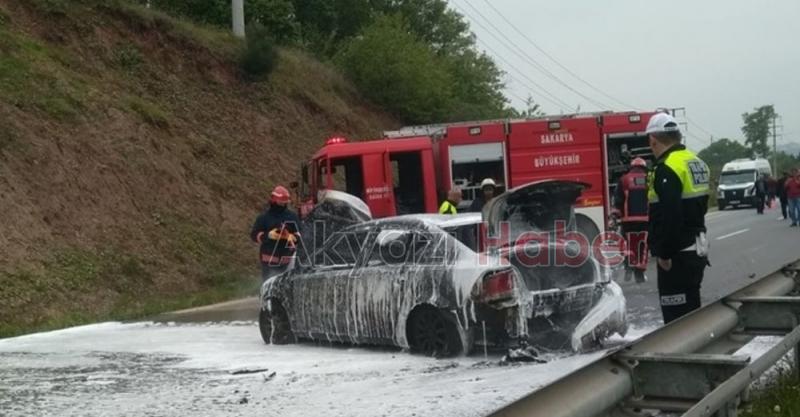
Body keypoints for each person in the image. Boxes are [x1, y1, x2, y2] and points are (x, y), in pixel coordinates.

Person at [645, 113, 711, 324]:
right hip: (696, 247)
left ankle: (685, 355)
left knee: (677, 320)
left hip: (677, 255)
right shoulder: (696, 162)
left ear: (653, 139)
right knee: (692, 310)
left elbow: (671, 215)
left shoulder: (668, 168)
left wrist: (664, 253)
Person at [250, 185, 300, 282]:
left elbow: (301, 234)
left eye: (285, 202)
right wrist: (268, 235)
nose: (283, 204)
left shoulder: (292, 217)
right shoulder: (264, 218)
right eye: (281, 202)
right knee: (269, 288)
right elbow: (254, 235)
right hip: (268, 262)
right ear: (274, 200)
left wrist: (292, 237)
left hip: (287, 262)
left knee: (286, 289)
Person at [613, 157, 649, 283]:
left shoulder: (623, 180)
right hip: (645, 219)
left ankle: (628, 268)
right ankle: (639, 274)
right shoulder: (649, 179)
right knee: (642, 246)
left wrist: (616, 215)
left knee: (628, 245)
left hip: (628, 221)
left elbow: (618, 200)